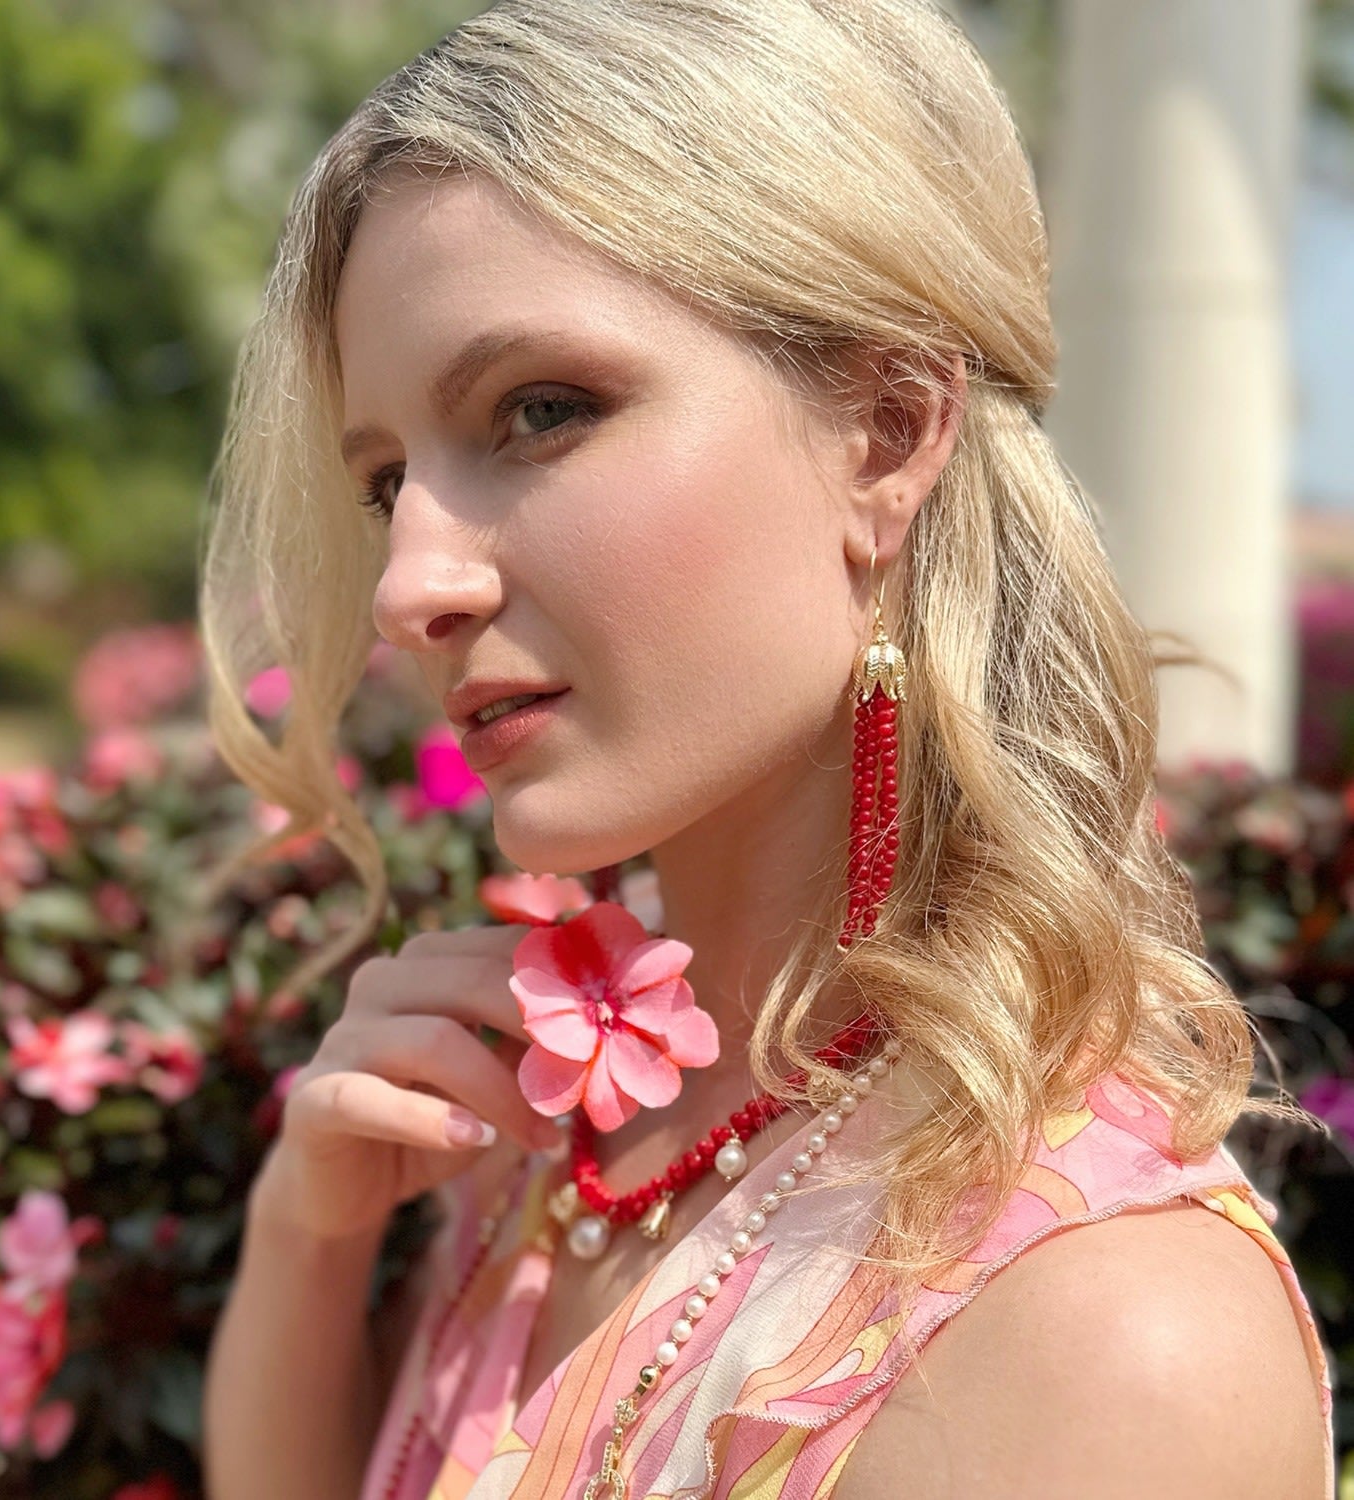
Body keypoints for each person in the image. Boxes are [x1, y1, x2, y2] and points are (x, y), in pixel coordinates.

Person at [198, 2, 1336, 1496]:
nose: (413, 583)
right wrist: (310, 1232)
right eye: (386, 481)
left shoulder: (1101, 1334)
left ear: (885, 428)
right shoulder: (548, 1131)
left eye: (540, 411)